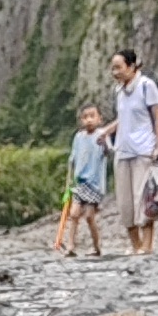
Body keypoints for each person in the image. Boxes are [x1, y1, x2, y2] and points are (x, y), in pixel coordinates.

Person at [108, 50, 158, 257]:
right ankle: (135, 245)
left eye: (118, 67)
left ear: (131, 67)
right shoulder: (118, 90)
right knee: (125, 203)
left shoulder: (146, 86)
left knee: (143, 199)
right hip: (122, 150)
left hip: (143, 150)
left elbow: (157, 116)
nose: (115, 72)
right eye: (113, 68)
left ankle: (147, 246)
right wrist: (107, 132)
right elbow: (123, 118)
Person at [57, 103, 109, 256]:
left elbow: (107, 152)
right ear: (81, 120)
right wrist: (68, 182)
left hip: (94, 184)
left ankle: (96, 246)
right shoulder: (78, 137)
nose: (89, 120)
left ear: (100, 119)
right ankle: (70, 246)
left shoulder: (101, 135)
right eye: (85, 117)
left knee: (89, 217)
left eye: (92, 116)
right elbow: (72, 160)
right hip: (80, 182)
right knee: (73, 214)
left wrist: (104, 142)